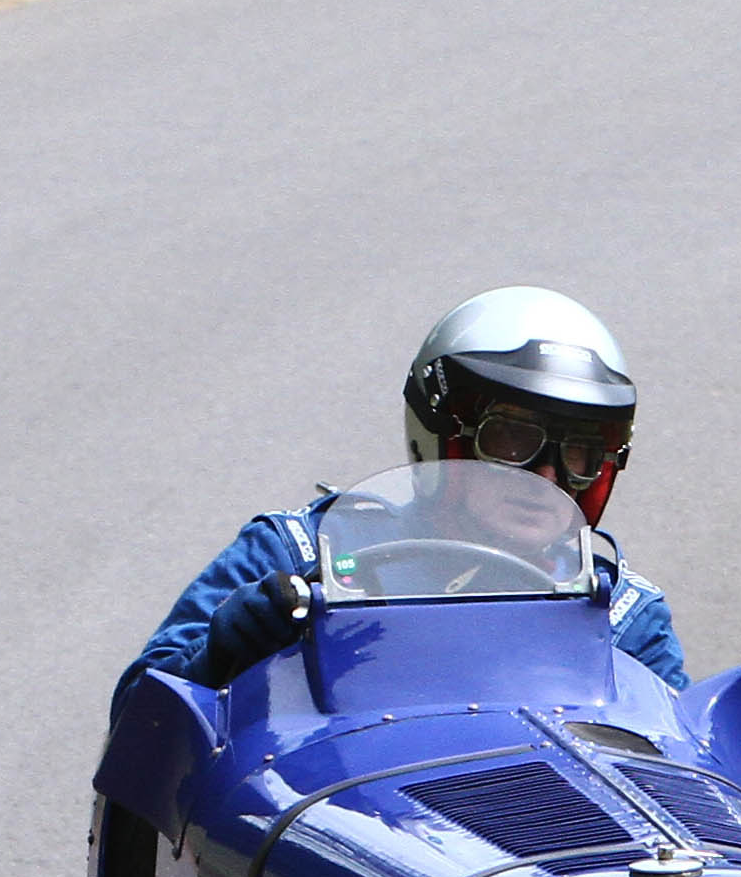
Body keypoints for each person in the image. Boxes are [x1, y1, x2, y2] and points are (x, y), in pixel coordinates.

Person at [123, 287, 687, 697]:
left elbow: (696, 778)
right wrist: (224, 653)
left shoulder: (621, 614)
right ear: (442, 438)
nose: (546, 479)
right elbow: (138, 720)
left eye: (580, 453)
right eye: (514, 439)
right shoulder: (297, 555)